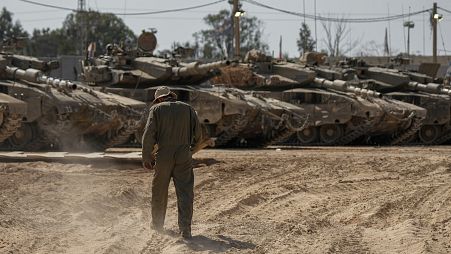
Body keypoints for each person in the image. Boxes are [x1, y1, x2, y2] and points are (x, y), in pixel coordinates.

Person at [142, 86, 202, 239]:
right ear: (171, 96)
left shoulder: (156, 110)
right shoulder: (188, 109)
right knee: (185, 192)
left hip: (163, 156)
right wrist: (189, 150)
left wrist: (146, 157)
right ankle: (185, 230)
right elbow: (199, 135)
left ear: (160, 98)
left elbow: (148, 135)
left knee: (159, 191)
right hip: (184, 155)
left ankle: (157, 225)